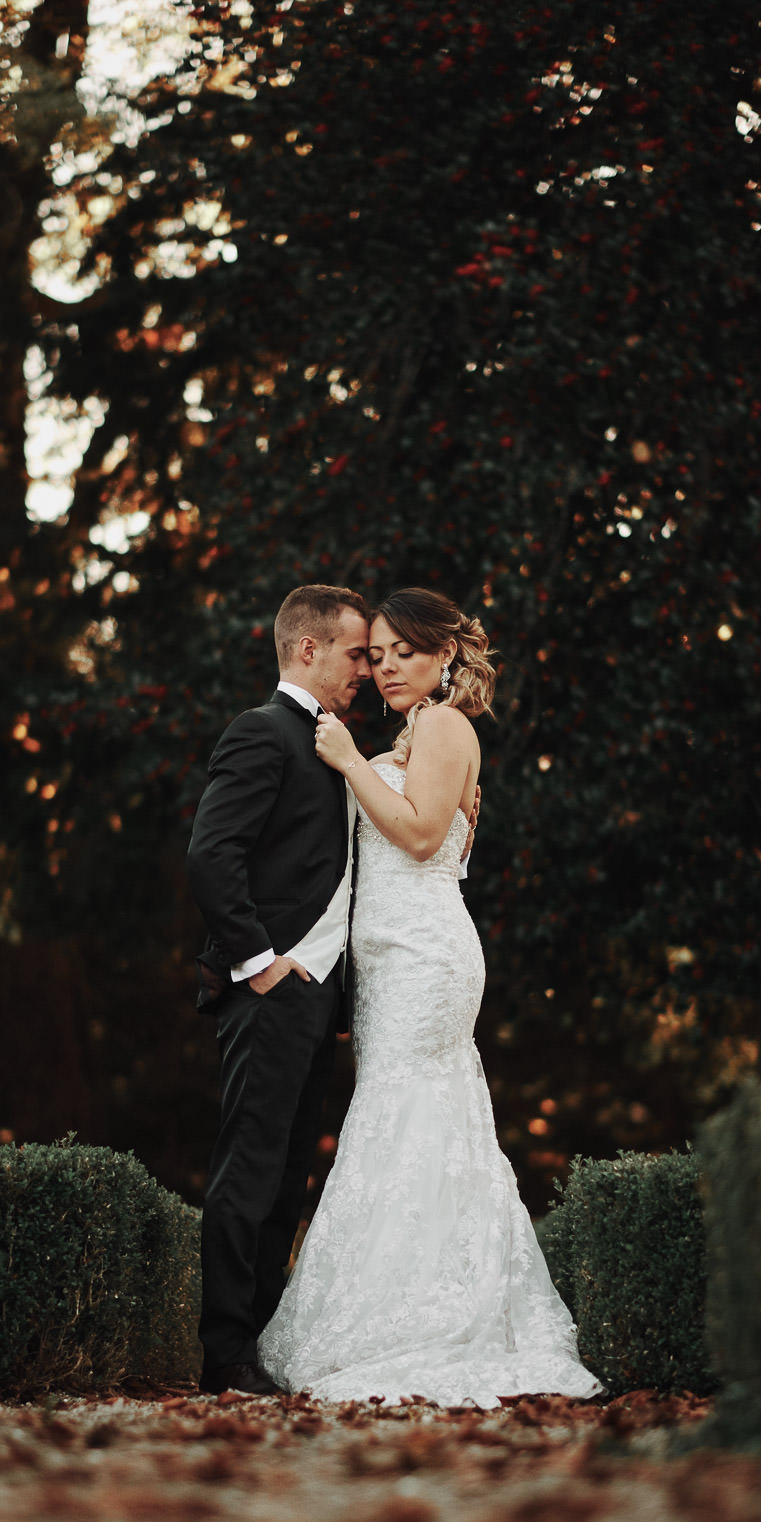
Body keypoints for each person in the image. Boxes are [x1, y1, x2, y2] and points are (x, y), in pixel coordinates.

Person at [258, 586, 599, 1406]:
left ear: (444, 654)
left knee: (410, 1117)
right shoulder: (413, 732)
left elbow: (415, 835)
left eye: (403, 653)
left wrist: (344, 761)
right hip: (386, 964)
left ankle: (434, 1322)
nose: (385, 670)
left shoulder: (447, 726)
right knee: (400, 1122)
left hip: (427, 957)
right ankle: (406, 1307)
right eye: (375, 656)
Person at [186, 584, 372, 1395]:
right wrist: (259, 961)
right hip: (271, 987)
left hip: (319, 997)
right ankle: (224, 1356)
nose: (366, 668)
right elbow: (210, 854)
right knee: (250, 1173)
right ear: (309, 649)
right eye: (357, 652)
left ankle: (257, 1346)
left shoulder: (335, 745)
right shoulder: (261, 734)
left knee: (289, 1179)